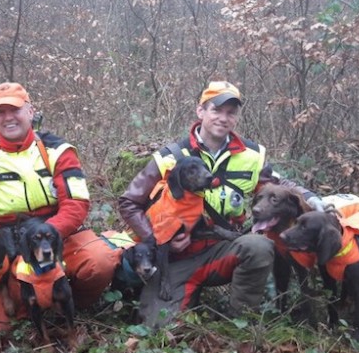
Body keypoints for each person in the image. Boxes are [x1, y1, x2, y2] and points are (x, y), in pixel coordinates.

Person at [118, 81, 325, 328]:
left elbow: (279, 185)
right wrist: (157, 240)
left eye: (231, 113)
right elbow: (129, 202)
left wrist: (312, 198)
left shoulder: (251, 156)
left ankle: (241, 320)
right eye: (216, 110)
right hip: (176, 257)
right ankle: (185, 297)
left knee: (258, 245)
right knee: (156, 327)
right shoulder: (171, 156)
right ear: (201, 112)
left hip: (223, 249)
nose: (223, 118)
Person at [0, 82, 117, 332]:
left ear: (30, 111)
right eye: (1, 112)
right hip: (12, 241)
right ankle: (29, 299)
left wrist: (44, 237)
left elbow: (76, 204)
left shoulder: (58, 150)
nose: (8, 118)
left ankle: (71, 304)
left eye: (15, 110)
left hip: (60, 232)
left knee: (100, 263)